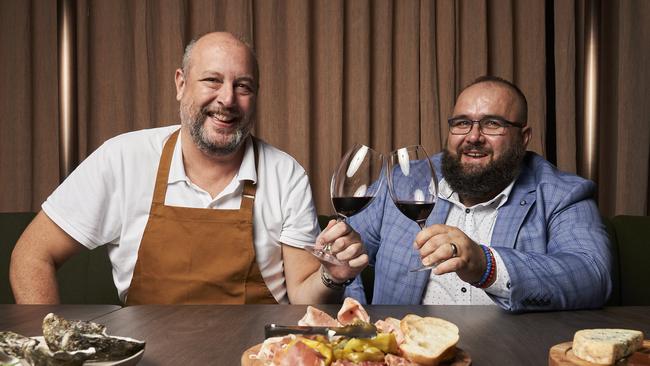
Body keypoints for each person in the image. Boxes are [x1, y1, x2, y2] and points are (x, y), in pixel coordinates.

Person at [10, 32, 367, 305]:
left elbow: (302, 294)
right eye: (212, 80)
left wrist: (332, 277)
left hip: (254, 355)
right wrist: (50, 353)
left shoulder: (285, 174)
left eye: (243, 86)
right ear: (181, 84)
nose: (227, 99)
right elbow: (31, 255)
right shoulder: (122, 158)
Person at [345, 76, 612, 312]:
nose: (473, 137)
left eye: (492, 124)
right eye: (462, 123)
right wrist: (358, 321)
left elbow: (592, 276)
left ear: (524, 137)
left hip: (510, 354)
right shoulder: (402, 182)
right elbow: (344, 255)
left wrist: (487, 266)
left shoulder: (563, 193)